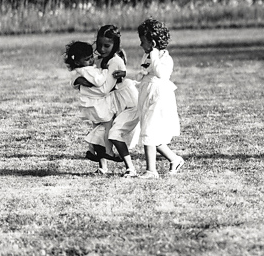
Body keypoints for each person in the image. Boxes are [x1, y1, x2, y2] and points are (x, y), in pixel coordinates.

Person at [127, 18, 184, 178]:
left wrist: (155, 57)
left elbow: (161, 74)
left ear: (152, 43)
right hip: (146, 95)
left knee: (149, 131)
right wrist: (136, 78)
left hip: (159, 97)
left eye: (143, 41)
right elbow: (145, 72)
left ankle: (151, 170)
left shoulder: (164, 58)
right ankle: (174, 159)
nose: (140, 45)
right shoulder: (146, 56)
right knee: (149, 131)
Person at [64, 41, 123, 175]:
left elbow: (74, 80)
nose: (91, 60)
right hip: (98, 106)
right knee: (107, 126)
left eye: (91, 57)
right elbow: (98, 81)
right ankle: (108, 151)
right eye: (87, 59)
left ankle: (96, 156)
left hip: (90, 106)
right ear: (78, 61)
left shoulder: (79, 70)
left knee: (97, 130)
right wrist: (106, 71)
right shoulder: (87, 70)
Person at [94, 25, 141, 177]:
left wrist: (88, 85)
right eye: (99, 45)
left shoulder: (115, 61)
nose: (102, 49)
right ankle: (102, 167)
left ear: (116, 45)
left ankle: (130, 169)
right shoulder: (98, 60)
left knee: (114, 133)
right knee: (99, 129)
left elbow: (106, 86)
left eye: (106, 46)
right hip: (111, 100)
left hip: (126, 101)